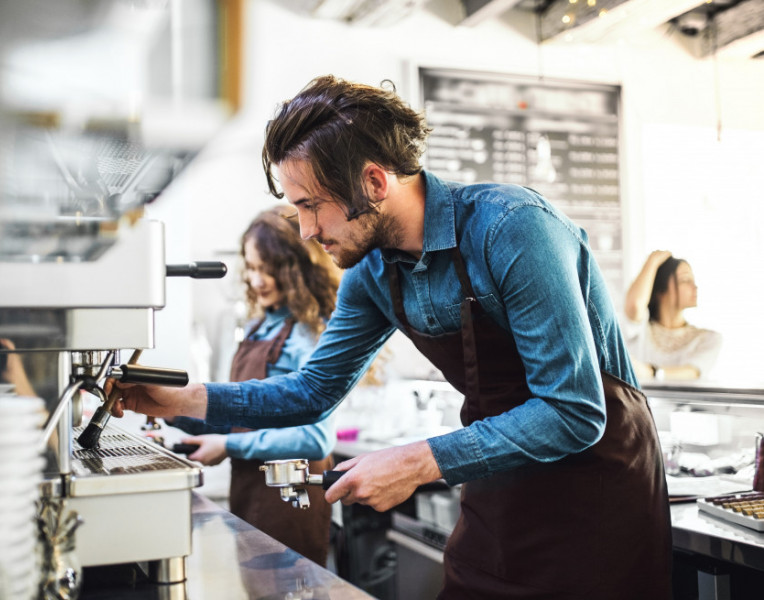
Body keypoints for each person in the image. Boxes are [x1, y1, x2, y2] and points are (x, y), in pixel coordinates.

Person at [111, 75, 671, 599]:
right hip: (500, 487)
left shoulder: (512, 228)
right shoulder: (372, 274)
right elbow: (311, 392)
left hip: (599, 485)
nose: (305, 231)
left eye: (311, 205)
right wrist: (183, 399)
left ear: (374, 182)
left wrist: (417, 461)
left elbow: (572, 411)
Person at [168, 206, 341, 567]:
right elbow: (244, 416)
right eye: (251, 267)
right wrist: (172, 410)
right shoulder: (256, 326)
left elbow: (316, 438)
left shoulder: (308, 334)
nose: (256, 279)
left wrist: (228, 444)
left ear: (294, 269)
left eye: (268, 269)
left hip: (290, 498)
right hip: (251, 491)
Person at [623, 249, 722, 382]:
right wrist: (652, 262)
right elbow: (634, 305)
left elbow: (693, 372)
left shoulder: (708, 339)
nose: (695, 286)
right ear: (661, 288)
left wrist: (652, 372)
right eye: (685, 280)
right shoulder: (640, 331)